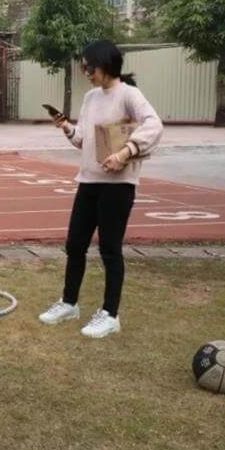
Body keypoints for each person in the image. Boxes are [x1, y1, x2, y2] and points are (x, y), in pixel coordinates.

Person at [39, 39, 163, 339]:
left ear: (106, 65)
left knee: (110, 249)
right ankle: (69, 303)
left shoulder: (129, 94)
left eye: (89, 67)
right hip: (88, 181)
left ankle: (110, 314)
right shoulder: (91, 98)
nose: (86, 72)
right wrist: (67, 127)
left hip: (118, 187)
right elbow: (82, 139)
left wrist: (126, 151)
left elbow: (154, 125)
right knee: (75, 245)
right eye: (83, 67)